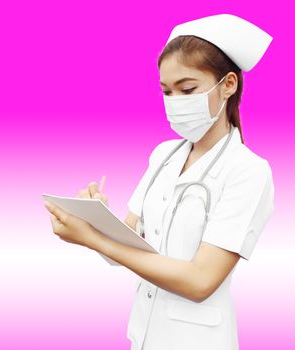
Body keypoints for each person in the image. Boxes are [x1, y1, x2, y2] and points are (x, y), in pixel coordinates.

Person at [43, 13, 274, 350]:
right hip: (145, 335)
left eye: (188, 89)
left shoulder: (249, 171)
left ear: (228, 85)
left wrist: (94, 240)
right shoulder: (163, 155)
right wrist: (97, 218)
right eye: (166, 91)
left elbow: (200, 281)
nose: (176, 102)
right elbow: (129, 247)